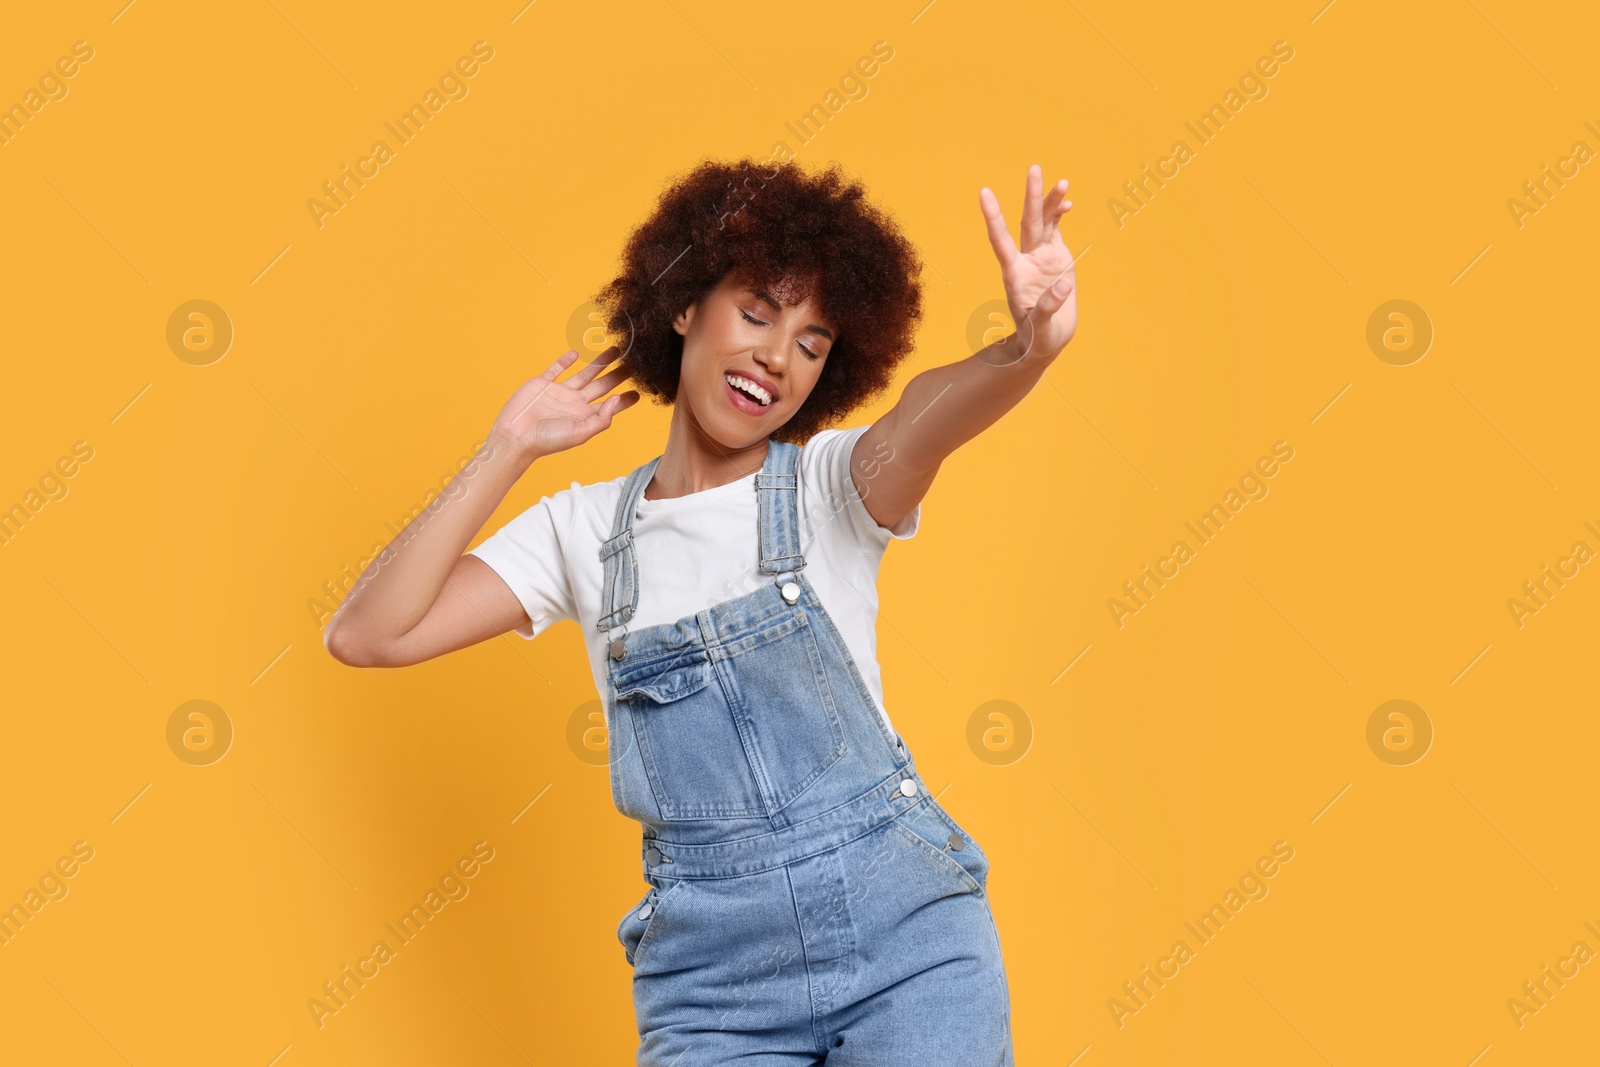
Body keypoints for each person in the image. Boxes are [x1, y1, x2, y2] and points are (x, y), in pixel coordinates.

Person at [324, 155, 1077, 1065]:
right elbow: (369, 633)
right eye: (757, 312)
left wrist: (1028, 346)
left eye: (811, 341)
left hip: (907, 943)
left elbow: (928, 414)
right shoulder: (583, 530)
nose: (774, 354)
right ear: (683, 305)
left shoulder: (835, 490)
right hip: (713, 985)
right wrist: (508, 446)